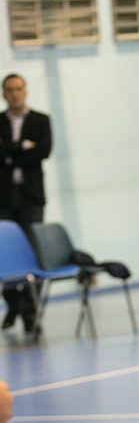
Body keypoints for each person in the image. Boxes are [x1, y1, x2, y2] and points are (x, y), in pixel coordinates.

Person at [0, 74, 53, 332]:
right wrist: (23, 146)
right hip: (4, 199)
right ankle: (14, 303)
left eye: (18, 89)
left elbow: (43, 151)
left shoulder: (40, 121)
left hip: (31, 198)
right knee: (5, 255)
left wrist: (10, 151)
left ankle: (29, 313)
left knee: (33, 254)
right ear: (4, 94)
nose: (14, 94)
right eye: (9, 90)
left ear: (25, 91)